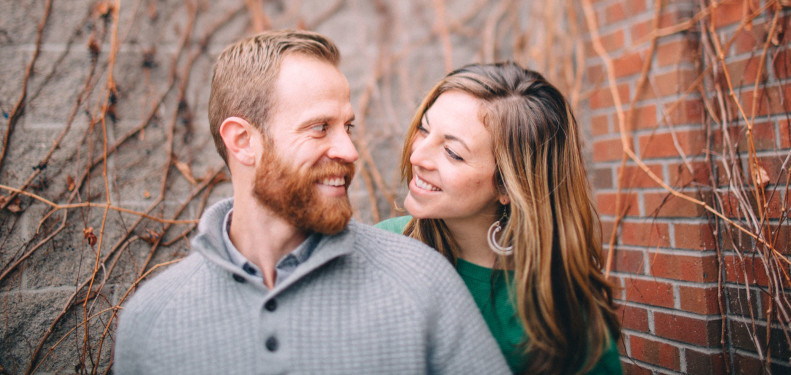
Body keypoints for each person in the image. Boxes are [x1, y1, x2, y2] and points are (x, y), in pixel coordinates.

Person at [114, 29, 510, 375]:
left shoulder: (422, 279)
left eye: (347, 127)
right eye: (320, 128)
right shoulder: (150, 320)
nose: (350, 150)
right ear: (242, 141)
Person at [376, 62, 622, 375]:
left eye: (452, 152)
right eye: (423, 129)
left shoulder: (563, 319)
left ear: (508, 185)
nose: (417, 156)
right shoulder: (384, 248)